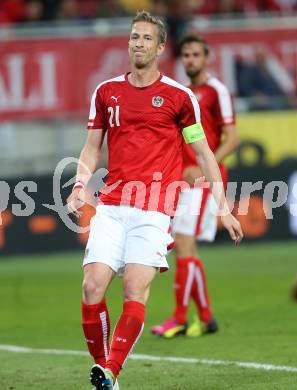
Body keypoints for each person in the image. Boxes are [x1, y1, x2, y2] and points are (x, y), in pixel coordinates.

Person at [67, 12, 243, 390]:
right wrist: (81, 183)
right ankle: (106, 371)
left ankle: (111, 369)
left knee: (134, 288)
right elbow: (91, 148)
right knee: (91, 286)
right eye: (134, 37)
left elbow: (205, 153)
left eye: (147, 38)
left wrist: (223, 208)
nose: (139, 44)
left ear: (161, 47)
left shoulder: (181, 98)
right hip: (113, 205)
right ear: (128, 43)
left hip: (155, 208)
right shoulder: (106, 92)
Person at [151, 35, 240, 338]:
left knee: (184, 242)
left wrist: (205, 165)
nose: (190, 60)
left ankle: (179, 317)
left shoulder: (217, 91)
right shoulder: (183, 93)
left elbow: (233, 138)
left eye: (195, 55)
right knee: (185, 249)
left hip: (205, 179)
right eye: (185, 55)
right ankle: (206, 317)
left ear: (206, 58)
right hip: (185, 179)